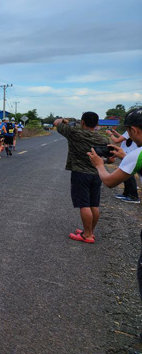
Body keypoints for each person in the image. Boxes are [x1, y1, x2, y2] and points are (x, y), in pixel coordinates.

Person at [87, 109, 142, 298]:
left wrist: (99, 165)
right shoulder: (135, 156)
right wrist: (124, 156)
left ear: (134, 129)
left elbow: (109, 181)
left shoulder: (138, 154)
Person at [54, 112, 109, 244]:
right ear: (97, 124)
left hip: (80, 173)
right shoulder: (103, 139)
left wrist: (64, 121)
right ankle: (89, 231)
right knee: (94, 204)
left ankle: (87, 236)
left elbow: (56, 122)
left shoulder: (74, 133)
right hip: (97, 173)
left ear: (82, 122)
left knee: (84, 205)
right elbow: (109, 159)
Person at [105, 128, 140, 203]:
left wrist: (109, 133)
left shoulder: (131, 130)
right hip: (127, 153)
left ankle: (133, 196)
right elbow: (125, 138)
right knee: (127, 176)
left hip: (128, 154)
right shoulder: (130, 131)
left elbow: (116, 141)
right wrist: (116, 133)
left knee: (129, 175)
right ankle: (126, 194)